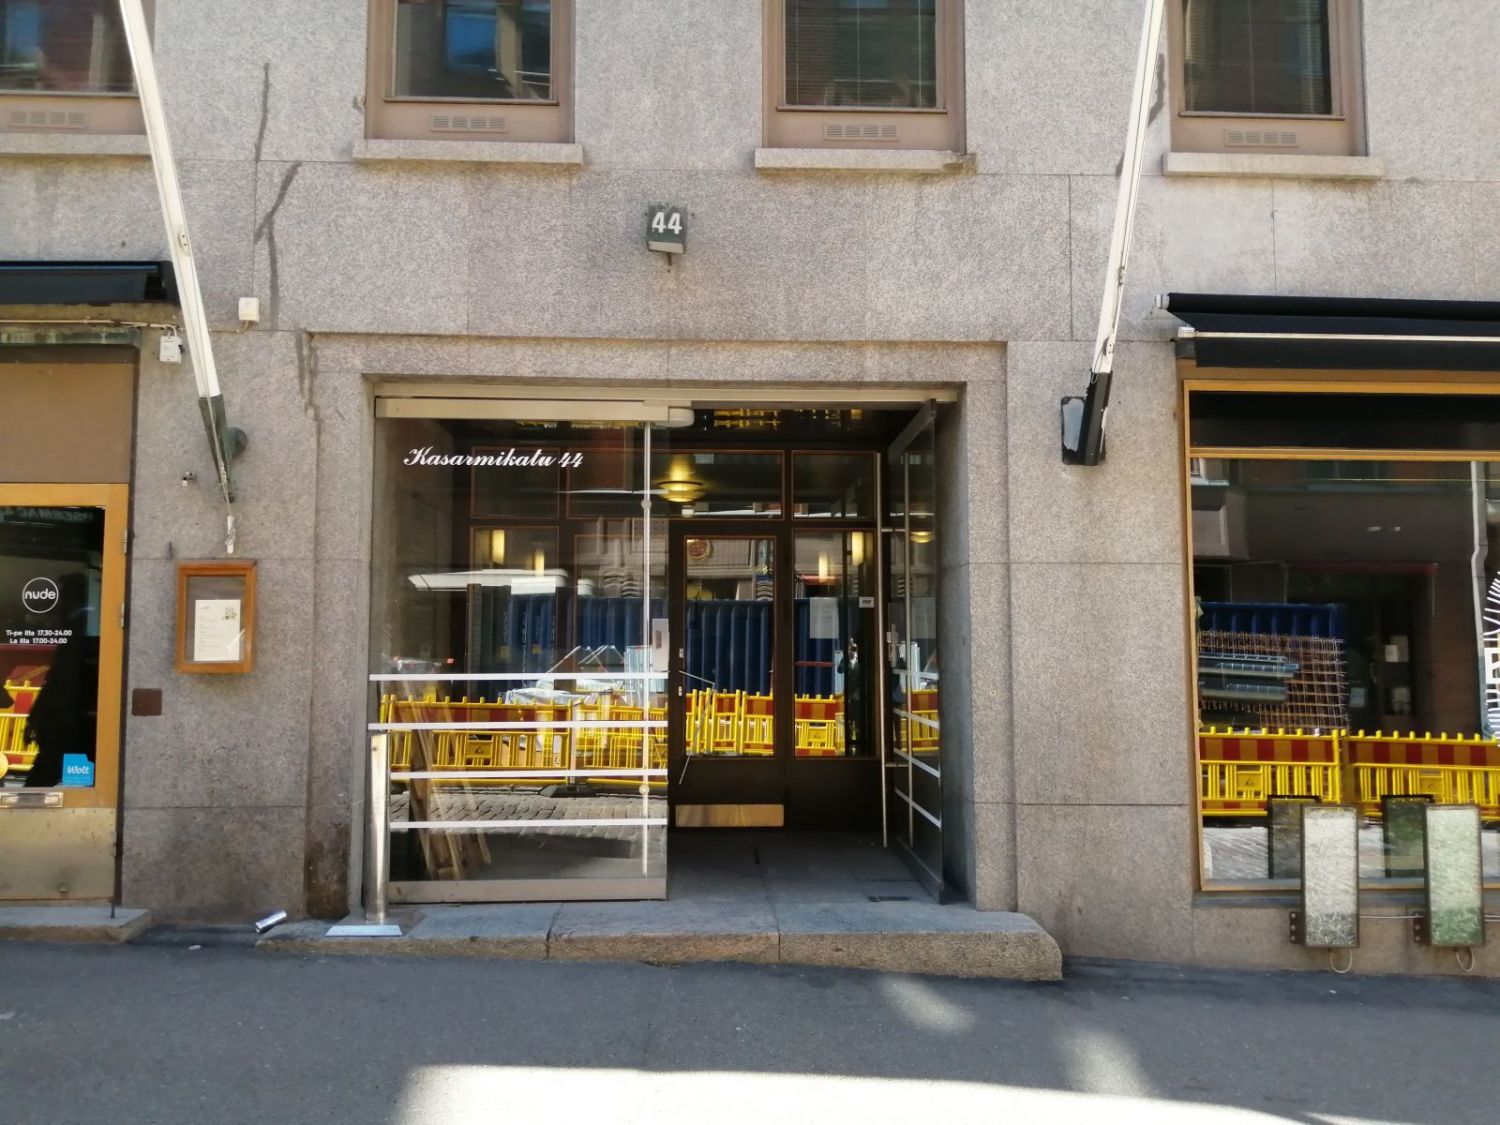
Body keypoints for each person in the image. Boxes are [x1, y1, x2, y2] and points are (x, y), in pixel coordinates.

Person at [24, 573, 98, 789]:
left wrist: (38, 716)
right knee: (54, 777)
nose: (62, 601)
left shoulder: (80, 625)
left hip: (69, 721)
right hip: (63, 722)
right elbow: (56, 677)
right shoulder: (75, 625)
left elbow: (62, 676)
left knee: (53, 777)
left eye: (66, 594)